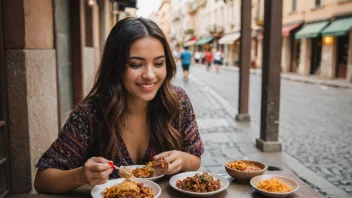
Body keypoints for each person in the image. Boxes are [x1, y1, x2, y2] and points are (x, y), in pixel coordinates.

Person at [34, 17, 204, 194]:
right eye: (136, 64)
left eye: (158, 63)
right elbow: (42, 180)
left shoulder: (177, 101)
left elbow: (195, 158)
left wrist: (183, 161)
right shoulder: (90, 114)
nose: (150, 75)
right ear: (115, 66)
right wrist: (81, 175)